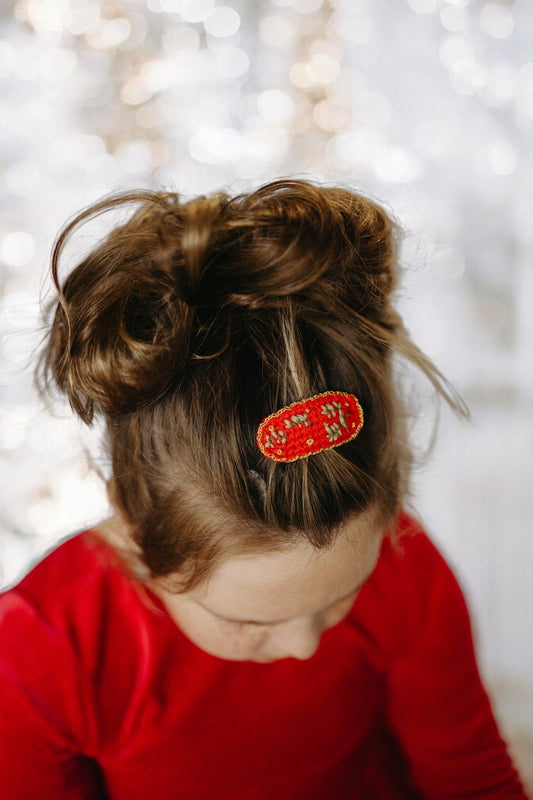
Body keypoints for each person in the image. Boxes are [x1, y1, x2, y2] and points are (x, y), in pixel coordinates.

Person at [0, 178, 528, 799]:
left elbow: (472, 779)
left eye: (340, 599)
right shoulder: (41, 654)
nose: (305, 646)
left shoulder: (404, 565)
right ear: (133, 531)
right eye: (246, 621)